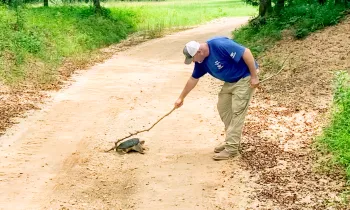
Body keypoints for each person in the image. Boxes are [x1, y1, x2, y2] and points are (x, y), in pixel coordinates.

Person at [174, 36, 259, 161]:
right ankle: (232, 140)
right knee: (223, 107)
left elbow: (246, 52)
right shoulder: (201, 62)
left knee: (237, 111)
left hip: (245, 78)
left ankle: (232, 150)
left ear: (199, 52)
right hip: (231, 82)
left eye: (192, 58)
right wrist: (181, 98)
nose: (193, 61)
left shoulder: (219, 45)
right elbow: (193, 79)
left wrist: (254, 76)